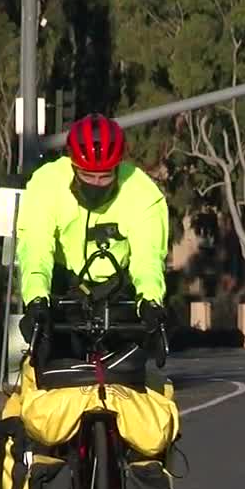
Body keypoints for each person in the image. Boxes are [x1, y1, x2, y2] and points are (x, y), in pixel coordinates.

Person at [14, 113, 169, 361]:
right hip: (63, 283)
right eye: (87, 175)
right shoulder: (46, 184)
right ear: (73, 165)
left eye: (105, 176)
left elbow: (148, 258)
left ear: (119, 168)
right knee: (49, 365)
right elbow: (35, 249)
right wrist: (36, 300)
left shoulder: (143, 192)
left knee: (135, 372)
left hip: (118, 287)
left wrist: (150, 302)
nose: (96, 184)